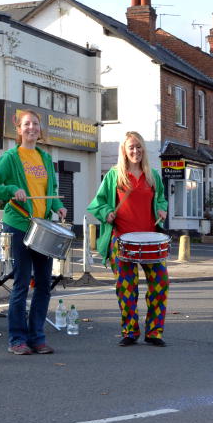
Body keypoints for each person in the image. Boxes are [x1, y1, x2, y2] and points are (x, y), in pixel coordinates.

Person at [0, 109, 67, 355]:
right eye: (26, 124)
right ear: (18, 130)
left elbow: (51, 190)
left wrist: (58, 206)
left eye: (35, 124)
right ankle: (17, 340)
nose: (31, 128)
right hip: (18, 225)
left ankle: (37, 337)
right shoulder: (10, 157)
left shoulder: (45, 158)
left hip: (43, 227)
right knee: (21, 283)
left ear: (40, 130)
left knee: (43, 283)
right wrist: (11, 190)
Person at [88, 131, 169, 347]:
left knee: (160, 282)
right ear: (124, 150)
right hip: (121, 240)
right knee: (126, 287)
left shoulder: (153, 176)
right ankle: (130, 331)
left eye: (139, 147)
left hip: (150, 240)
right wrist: (107, 212)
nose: (136, 151)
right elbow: (98, 202)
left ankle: (154, 332)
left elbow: (160, 199)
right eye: (131, 147)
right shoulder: (114, 175)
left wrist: (161, 209)